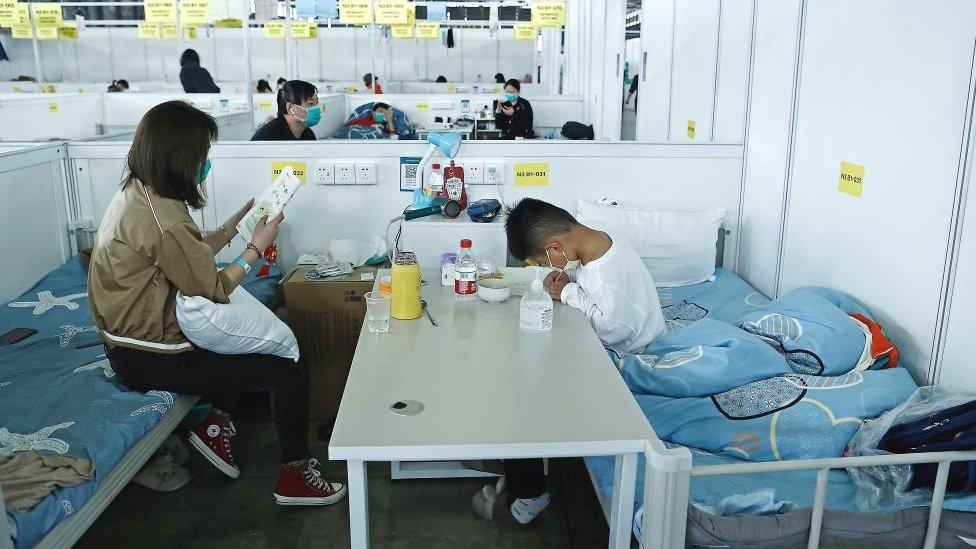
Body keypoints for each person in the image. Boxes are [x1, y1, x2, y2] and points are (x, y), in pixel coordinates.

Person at [88, 100, 346, 506]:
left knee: (257, 335)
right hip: (150, 354)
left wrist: (236, 226)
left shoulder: (140, 193)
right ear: (179, 157)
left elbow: (186, 253)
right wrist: (256, 248)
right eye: (201, 156)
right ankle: (294, 475)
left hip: (127, 340)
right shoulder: (165, 220)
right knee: (289, 366)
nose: (204, 165)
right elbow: (215, 287)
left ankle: (216, 424)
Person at [471, 198, 665, 525]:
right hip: (616, 344)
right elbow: (602, 299)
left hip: (627, 358)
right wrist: (569, 284)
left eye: (542, 260)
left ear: (555, 247)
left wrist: (568, 295)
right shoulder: (604, 243)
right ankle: (511, 460)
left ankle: (527, 496)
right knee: (524, 359)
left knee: (526, 388)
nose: (549, 266)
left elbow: (614, 329)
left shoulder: (604, 274)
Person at [251, 80, 320, 141]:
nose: (316, 108)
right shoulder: (268, 137)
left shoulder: (308, 134)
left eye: (316, 103)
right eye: (310, 104)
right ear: (290, 108)